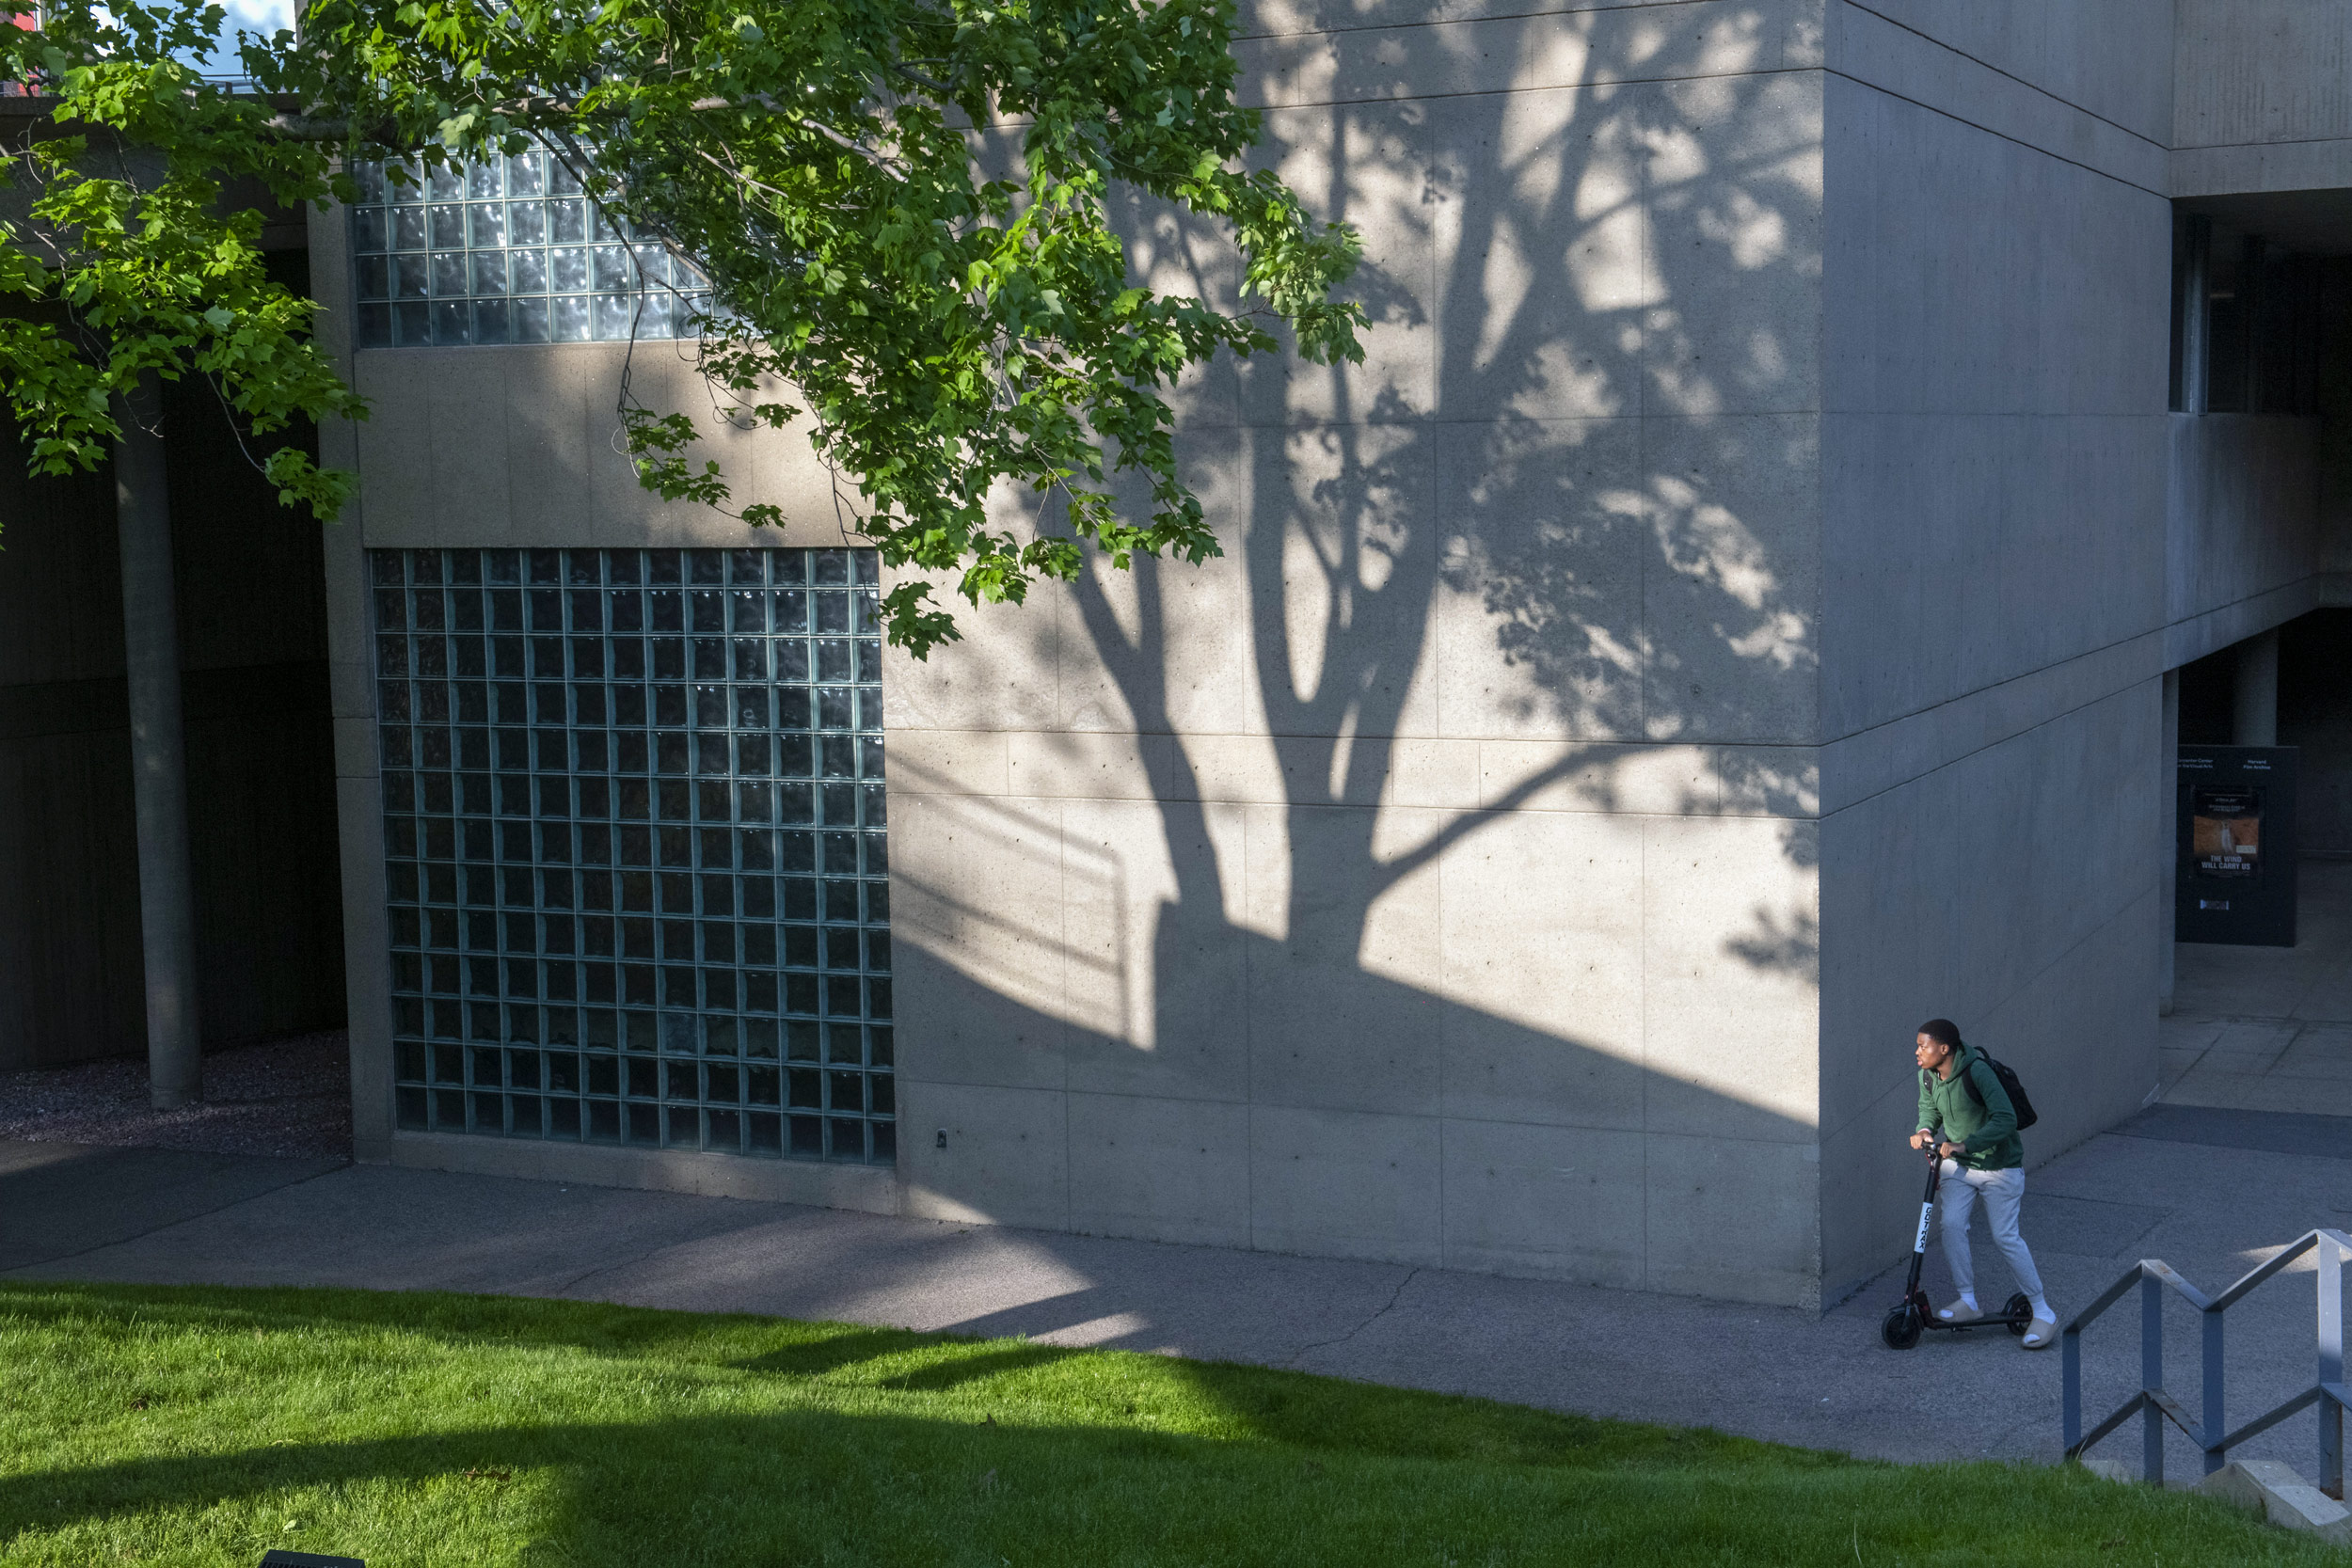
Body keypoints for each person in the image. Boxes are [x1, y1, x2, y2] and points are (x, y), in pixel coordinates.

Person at [1909, 1018, 2058, 1349]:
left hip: (1998, 1168)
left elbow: (2006, 1118)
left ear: (1944, 1048)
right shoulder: (1928, 1076)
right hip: (1958, 1167)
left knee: (2005, 1236)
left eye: (1923, 1045)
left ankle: (2043, 1311)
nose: (1917, 1051)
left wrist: (1965, 1144)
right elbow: (1929, 1109)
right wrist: (1925, 1130)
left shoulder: (1978, 1072)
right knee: (1951, 1225)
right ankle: (1968, 1302)